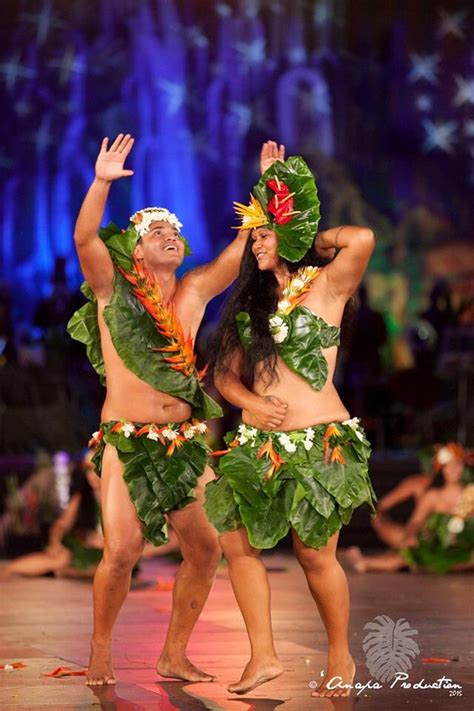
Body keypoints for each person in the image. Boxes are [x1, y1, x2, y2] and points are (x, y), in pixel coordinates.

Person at [67, 133, 284, 686]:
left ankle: (173, 654)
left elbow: (238, 255)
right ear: (136, 251)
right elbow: (85, 236)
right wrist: (101, 183)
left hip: (184, 443)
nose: (169, 237)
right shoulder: (114, 291)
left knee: (208, 549)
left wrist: (265, 185)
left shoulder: (190, 293)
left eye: (175, 232)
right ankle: (100, 648)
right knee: (121, 551)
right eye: (155, 232)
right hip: (128, 439)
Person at [204, 155, 378, 698]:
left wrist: (289, 205)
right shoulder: (248, 309)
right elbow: (222, 379)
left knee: (313, 554)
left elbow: (363, 238)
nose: (255, 245)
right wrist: (247, 403)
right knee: (236, 541)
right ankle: (262, 656)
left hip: (320, 440)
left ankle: (340, 654)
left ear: (287, 231)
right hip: (262, 445)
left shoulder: (326, 288)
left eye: (263, 234)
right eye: (251, 238)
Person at [347, 443, 474, 574]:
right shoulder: (433, 495)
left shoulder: (470, 493)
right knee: (408, 555)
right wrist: (411, 535)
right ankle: (367, 563)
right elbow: (416, 521)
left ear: (463, 467)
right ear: (441, 469)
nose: (454, 470)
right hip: (434, 545)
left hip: (463, 548)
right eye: (449, 466)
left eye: (457, 465)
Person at [0, 451, 103, 579]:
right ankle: (7, 571)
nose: (92, 474)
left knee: (107, 564)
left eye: (97, 468)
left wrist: (105, 543)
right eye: (88, 469)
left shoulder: (118, 498)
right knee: (61, 558)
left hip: (111, 551)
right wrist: (55, 544)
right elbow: (62, 524)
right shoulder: (82, 496)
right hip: (85, 550)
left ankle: (69, 572)